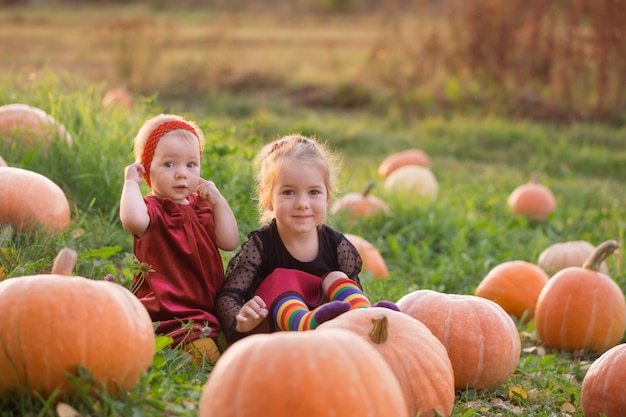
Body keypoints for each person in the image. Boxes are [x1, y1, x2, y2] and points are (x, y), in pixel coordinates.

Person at [215, 134, 397, 344]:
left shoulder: (338, 246)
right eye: (289, 192)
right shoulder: (261, 246)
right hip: (280, 334)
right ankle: (304, 323)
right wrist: (240, 318)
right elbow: (227, 296)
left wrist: (354, 306)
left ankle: (367, 318)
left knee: (336, 277)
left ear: (327, 196)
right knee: (282, 278)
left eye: (313, 192)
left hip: (327, 331)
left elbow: (350, 293)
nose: (302, 203)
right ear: (268, 198)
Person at [119, 113, 239, 364]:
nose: (182, 174)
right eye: (169, 164)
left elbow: (229, 242)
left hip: (210, 306)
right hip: (173, 310)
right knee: (207, 355)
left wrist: (219, 202)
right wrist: (131, 183)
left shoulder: (201, 207)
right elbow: (132, 220)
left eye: (191, 165)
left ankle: (218, 337)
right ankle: (181, 341)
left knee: (238, 337)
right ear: (147, 168)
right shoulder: (151, 211)